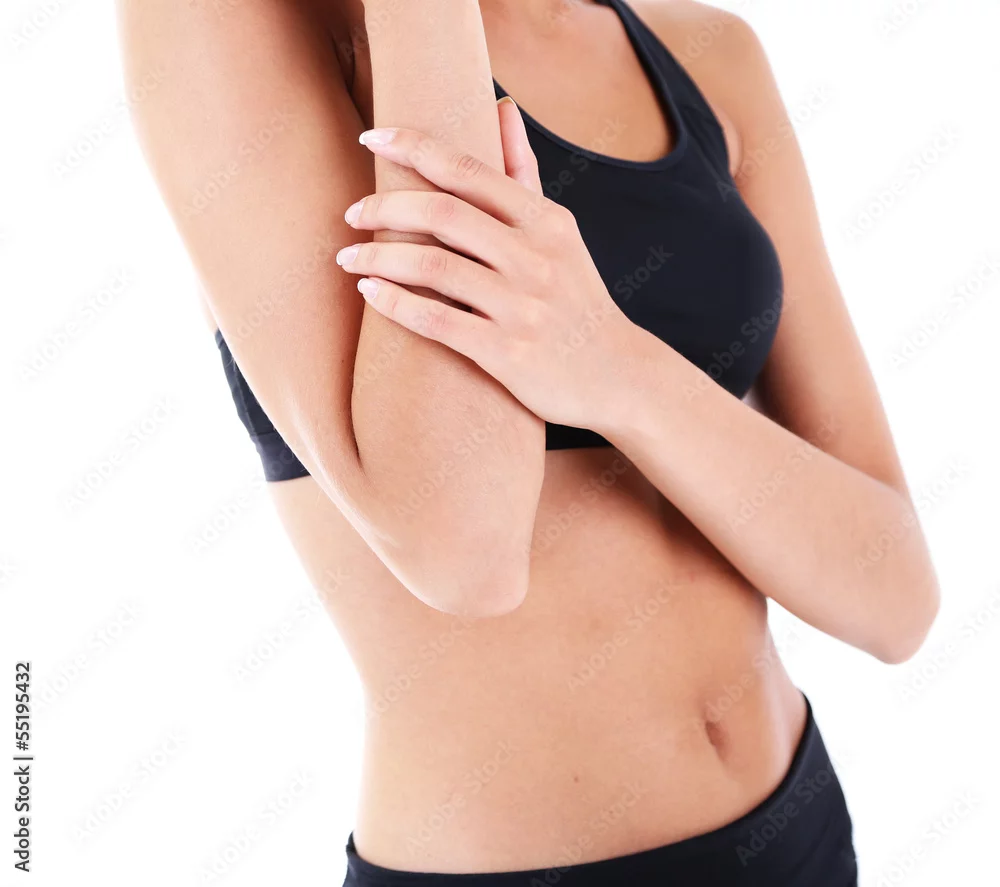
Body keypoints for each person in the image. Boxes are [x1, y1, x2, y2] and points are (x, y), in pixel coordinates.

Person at [116, 0, 939, 883]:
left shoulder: (710, 52)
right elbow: (464, 552)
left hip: (799, 831)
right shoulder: (231, 23)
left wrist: (616, 368)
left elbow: (896, 597)